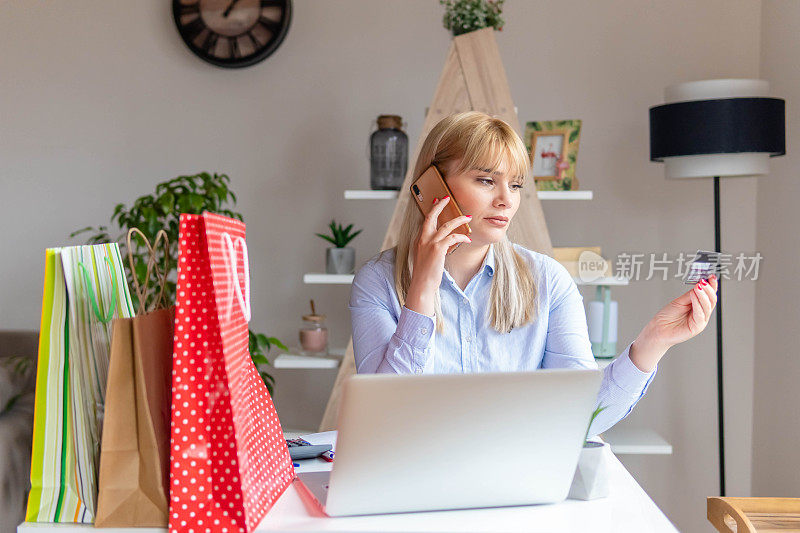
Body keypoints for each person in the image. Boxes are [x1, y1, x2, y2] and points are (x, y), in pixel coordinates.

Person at [349, 111, 718, 435]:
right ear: (432, 187)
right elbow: (383, 419)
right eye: (485, 180)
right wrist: (423, 290)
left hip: (516, 490)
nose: (507, 200)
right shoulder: (377, 282)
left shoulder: (548, 281)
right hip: (414, 484)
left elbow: (584, 416)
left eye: (515, 184)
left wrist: (654, 342)